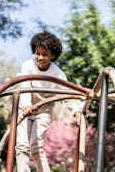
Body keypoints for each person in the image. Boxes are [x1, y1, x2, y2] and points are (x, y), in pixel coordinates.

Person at [15, 31, 85, 172]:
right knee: (22, 146)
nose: (40, 58)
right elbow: (25, 86)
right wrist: (27, 105)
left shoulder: (57, 74)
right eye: (37, 53)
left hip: (43, 110)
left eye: (44, 54)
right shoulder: (28, 66)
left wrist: (77, 111)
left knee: (35, 146)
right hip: (25, 107)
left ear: (53, 55)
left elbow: (67, 93)